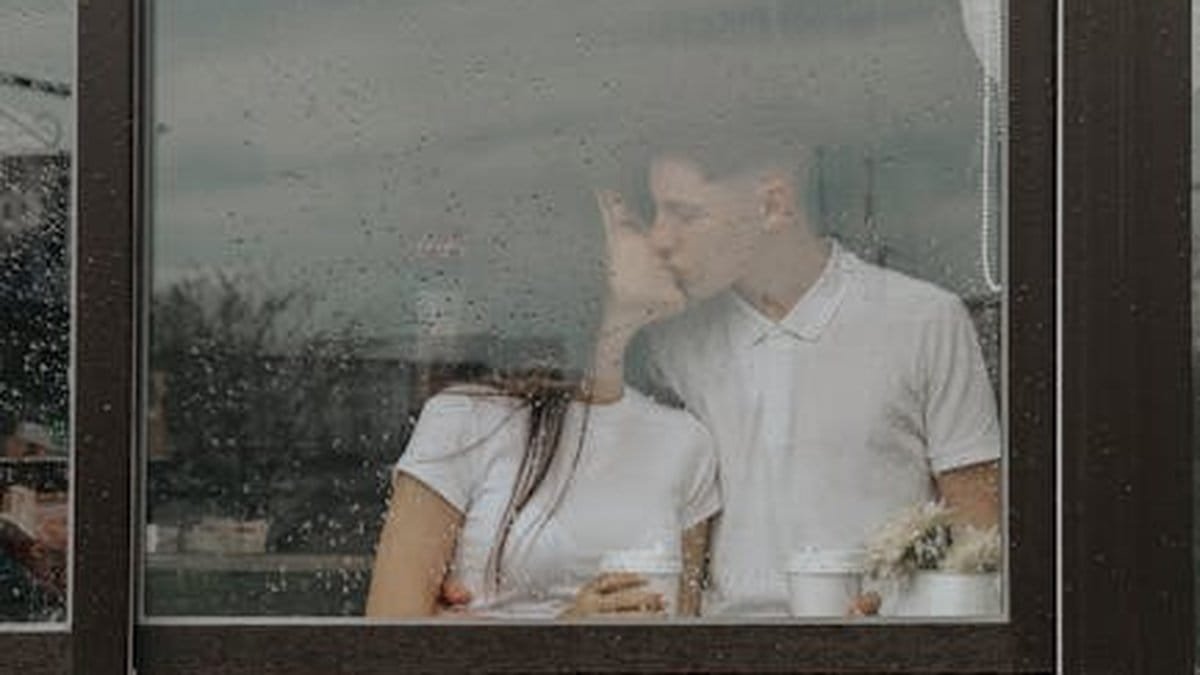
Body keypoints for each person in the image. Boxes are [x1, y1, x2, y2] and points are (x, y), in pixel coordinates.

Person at [637, 148, 1002, 617]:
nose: (660, 238)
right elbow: (677, 536)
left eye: (685, 214)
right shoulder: (674, 345)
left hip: (886, 647)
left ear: (772, 204)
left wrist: (916, 630)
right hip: (725, 650)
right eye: (656, 212)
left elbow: (978, 527)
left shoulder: (925, 319)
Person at [365, 190, 721, 619]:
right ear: (578, 258)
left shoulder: (686, 441)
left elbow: (687, 640)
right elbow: (389, 632)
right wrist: (560, 639)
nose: (663, 241)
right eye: (632, 225)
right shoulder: (465, 419)